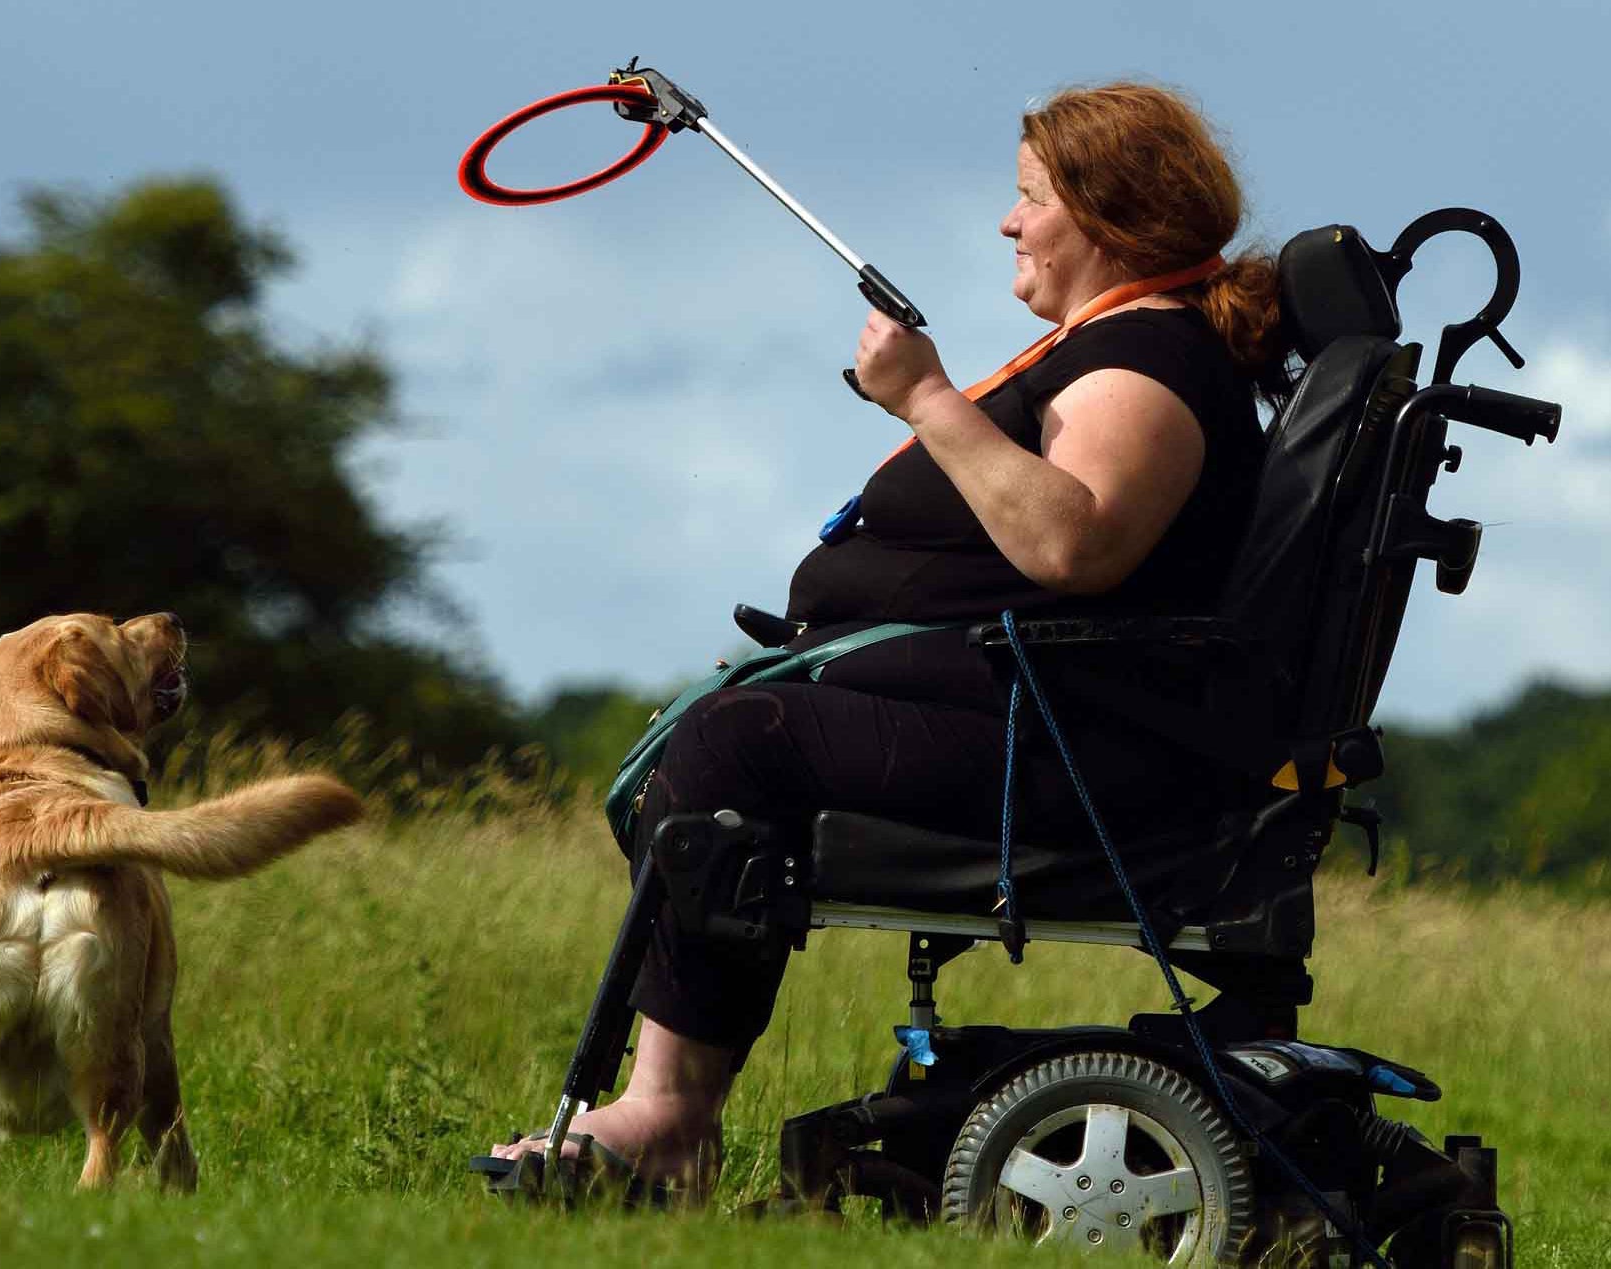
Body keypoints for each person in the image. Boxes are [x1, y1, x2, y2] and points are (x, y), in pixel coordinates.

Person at [492, 80, 1290, 1189]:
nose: (1010, 223)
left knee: (736, 747)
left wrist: (927, 401)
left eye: (1030, 200)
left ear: (1111, 217)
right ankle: (663, 1118)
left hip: (1073, 752)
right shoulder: (1122, 347)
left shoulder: (1147, 363)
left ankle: (666, 1122)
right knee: (733, 732)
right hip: (1036, 719)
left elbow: (1076, 547)